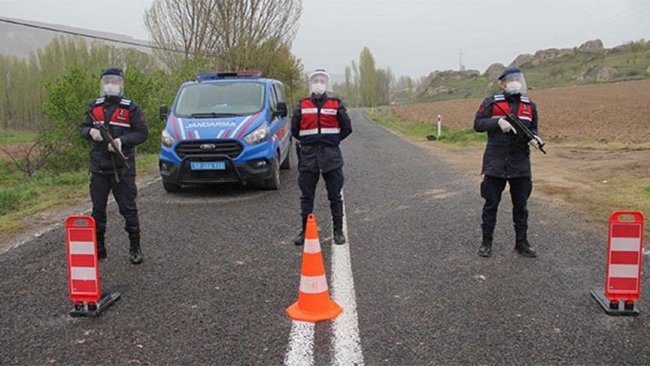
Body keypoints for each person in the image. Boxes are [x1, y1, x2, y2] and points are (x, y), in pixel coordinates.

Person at [80, 67, 148, 264]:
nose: (111, 84)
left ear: (121, 83)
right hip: (98, 168)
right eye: (107, 80)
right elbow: (83, 127)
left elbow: (142, 133)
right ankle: (99, 248)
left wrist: (121, 141)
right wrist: (90, 133)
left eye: (115, 81)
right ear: (102, 83)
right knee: (97, 211)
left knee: (128, 209)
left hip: (122, 168)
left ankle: (135, 247)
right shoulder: (94, 106)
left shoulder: (130, 107)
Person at [473, 67, 543, 258]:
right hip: (496, 161)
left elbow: (533, 128)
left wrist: (535, 139)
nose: (515, 82)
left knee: (521, 205)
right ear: (502, 83)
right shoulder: (492, 102)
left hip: (520, 162)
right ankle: (486, 242)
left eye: (517, 79)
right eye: (510, 80)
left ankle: (522, 243)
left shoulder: (530, 105)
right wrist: (497, 122)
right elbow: (478, 124)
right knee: (491, 204)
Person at [292, 69, 352, 245]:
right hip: (308, 156)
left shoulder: (336, 104)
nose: (319, 83)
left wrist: (332, 141)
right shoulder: (302, 105)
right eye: (316, 80)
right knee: (306, 196)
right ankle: (305, 230)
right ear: (311, 83)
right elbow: (295, 130)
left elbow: (347, 128)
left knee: (335, 195)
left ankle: (338, 231)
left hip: (331, 156)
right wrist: (310, 142)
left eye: (322, 80)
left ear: (327, 83)